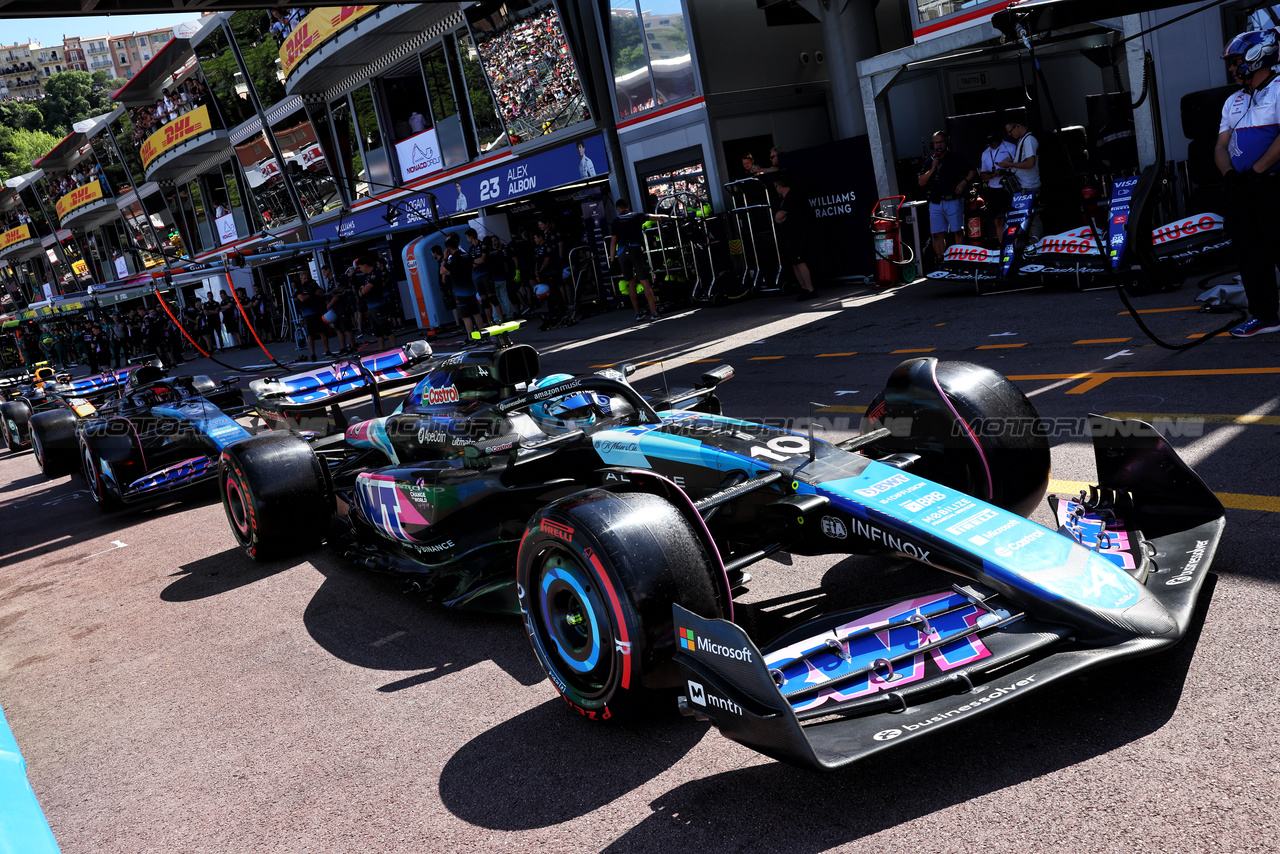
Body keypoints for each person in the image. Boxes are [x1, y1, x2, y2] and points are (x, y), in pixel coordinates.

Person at [1217, 29, 1280, 338]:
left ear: (1257, 58)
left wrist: (1256, 172)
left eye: (1235, 62)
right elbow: (1220, 145)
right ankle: (1265, 316)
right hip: (1243, 189)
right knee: (1250, 255)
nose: (1231, 69)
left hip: (1272, 185)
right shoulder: (1233, 101)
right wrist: (1231, 176)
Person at [918, 131, 978, 260]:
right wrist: (932, 169)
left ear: (947, 143)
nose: (938, 145)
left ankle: (959, 260)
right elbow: (921, 181)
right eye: (936, 143)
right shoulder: (930, 162)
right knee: (937, 234)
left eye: (941, 142)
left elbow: (972, 171)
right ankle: (941, 261)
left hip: (953, 200)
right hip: (935, 202)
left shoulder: (955, 158)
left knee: (957, 231)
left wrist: (964, 182)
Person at [609, 198, 660, 321]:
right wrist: (671, 217)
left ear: (618, 209)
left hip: (622, 254)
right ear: (628, 206)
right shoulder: (637, 215)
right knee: (644, 281)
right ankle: (653, 312)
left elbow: (613, 242)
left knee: (631, 283)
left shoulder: (615, 221)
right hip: (635, 250)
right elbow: (656, 217)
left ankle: (637, 313)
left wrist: (612, 260)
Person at [772, 173, 817, 301]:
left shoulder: (792, 197)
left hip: (797, 235)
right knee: (795, 263)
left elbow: (779, 217)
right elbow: (779, 218)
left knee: (800, 261)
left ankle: (810, 289)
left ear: (780, 186)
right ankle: (804, 288)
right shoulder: (785, 200)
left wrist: (781, 218)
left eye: (776, 187)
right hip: (790, 235)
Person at [998, 119, 1042, 237]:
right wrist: (1012, 161)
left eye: (1010, 132)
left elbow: (1030, 163)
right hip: (1023, 186)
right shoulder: (1022, 140)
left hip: (1029, 186)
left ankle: (1036, 243)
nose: (1010, 135)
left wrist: (1010, 165)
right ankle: (1031, 244)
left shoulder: (1029, 140)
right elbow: (1024, 160)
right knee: (1025, 219)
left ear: (1017, 126)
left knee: (1032, 218)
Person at [442, 235, 485, 336]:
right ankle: (483, 335)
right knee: (476, 313)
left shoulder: (453, 258)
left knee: (466, 317)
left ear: (448, 249)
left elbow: (442, 271)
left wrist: (445, 258)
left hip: (461, 291)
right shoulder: (465, 254)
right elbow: (473, 265)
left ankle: (471, 338)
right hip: (470, 288)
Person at [354, 256, 398, 350]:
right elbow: (361, 291)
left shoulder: (375, 274)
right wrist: (361, 290)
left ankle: (395, 347)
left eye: (360, 267)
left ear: (365, 266)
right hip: (370, 306)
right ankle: (382, 349)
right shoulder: (367, 276)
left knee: (386, 328)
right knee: (377, 330)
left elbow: (364, 290)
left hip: (378, 305)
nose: (360, 270)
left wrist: (362, 290)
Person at [979, 132, 1018, 235]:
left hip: (1009, 187)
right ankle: (1003, 246)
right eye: (989, 144)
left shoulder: (1011, 147)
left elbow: (1018, 167)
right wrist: (987, 176)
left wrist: (1003, 171)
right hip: (993, 189)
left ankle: (1016, 244)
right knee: (998, 220)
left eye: (993, 143)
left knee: (1013, 218)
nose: (991, 145)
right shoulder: (985, 153)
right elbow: (982, 173)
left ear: (999, 140)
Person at [293, 270, 332, 360]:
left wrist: (313, 291)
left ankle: (327, 350)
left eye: (307, 278)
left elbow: (321, 293)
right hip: (307, 313)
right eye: (304, 279)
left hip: (318, 311)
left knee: (323, 331)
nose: (306, 280)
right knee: (310, 334)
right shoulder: (298, 287)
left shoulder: (313, 284)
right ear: (300, 278)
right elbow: (302, 298)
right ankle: (313, 354)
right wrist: (313, 294)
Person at [321, 265, 356, 352]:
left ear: (328, 270)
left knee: (347, 327)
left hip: (342, 306)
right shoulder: (329, 282)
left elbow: (337, 295)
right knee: (337, 329)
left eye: (324, 271)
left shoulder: (337, 280)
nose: (323, 273)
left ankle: (353, 346)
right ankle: (343, 348)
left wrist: (329, 305)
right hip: (334, 308)